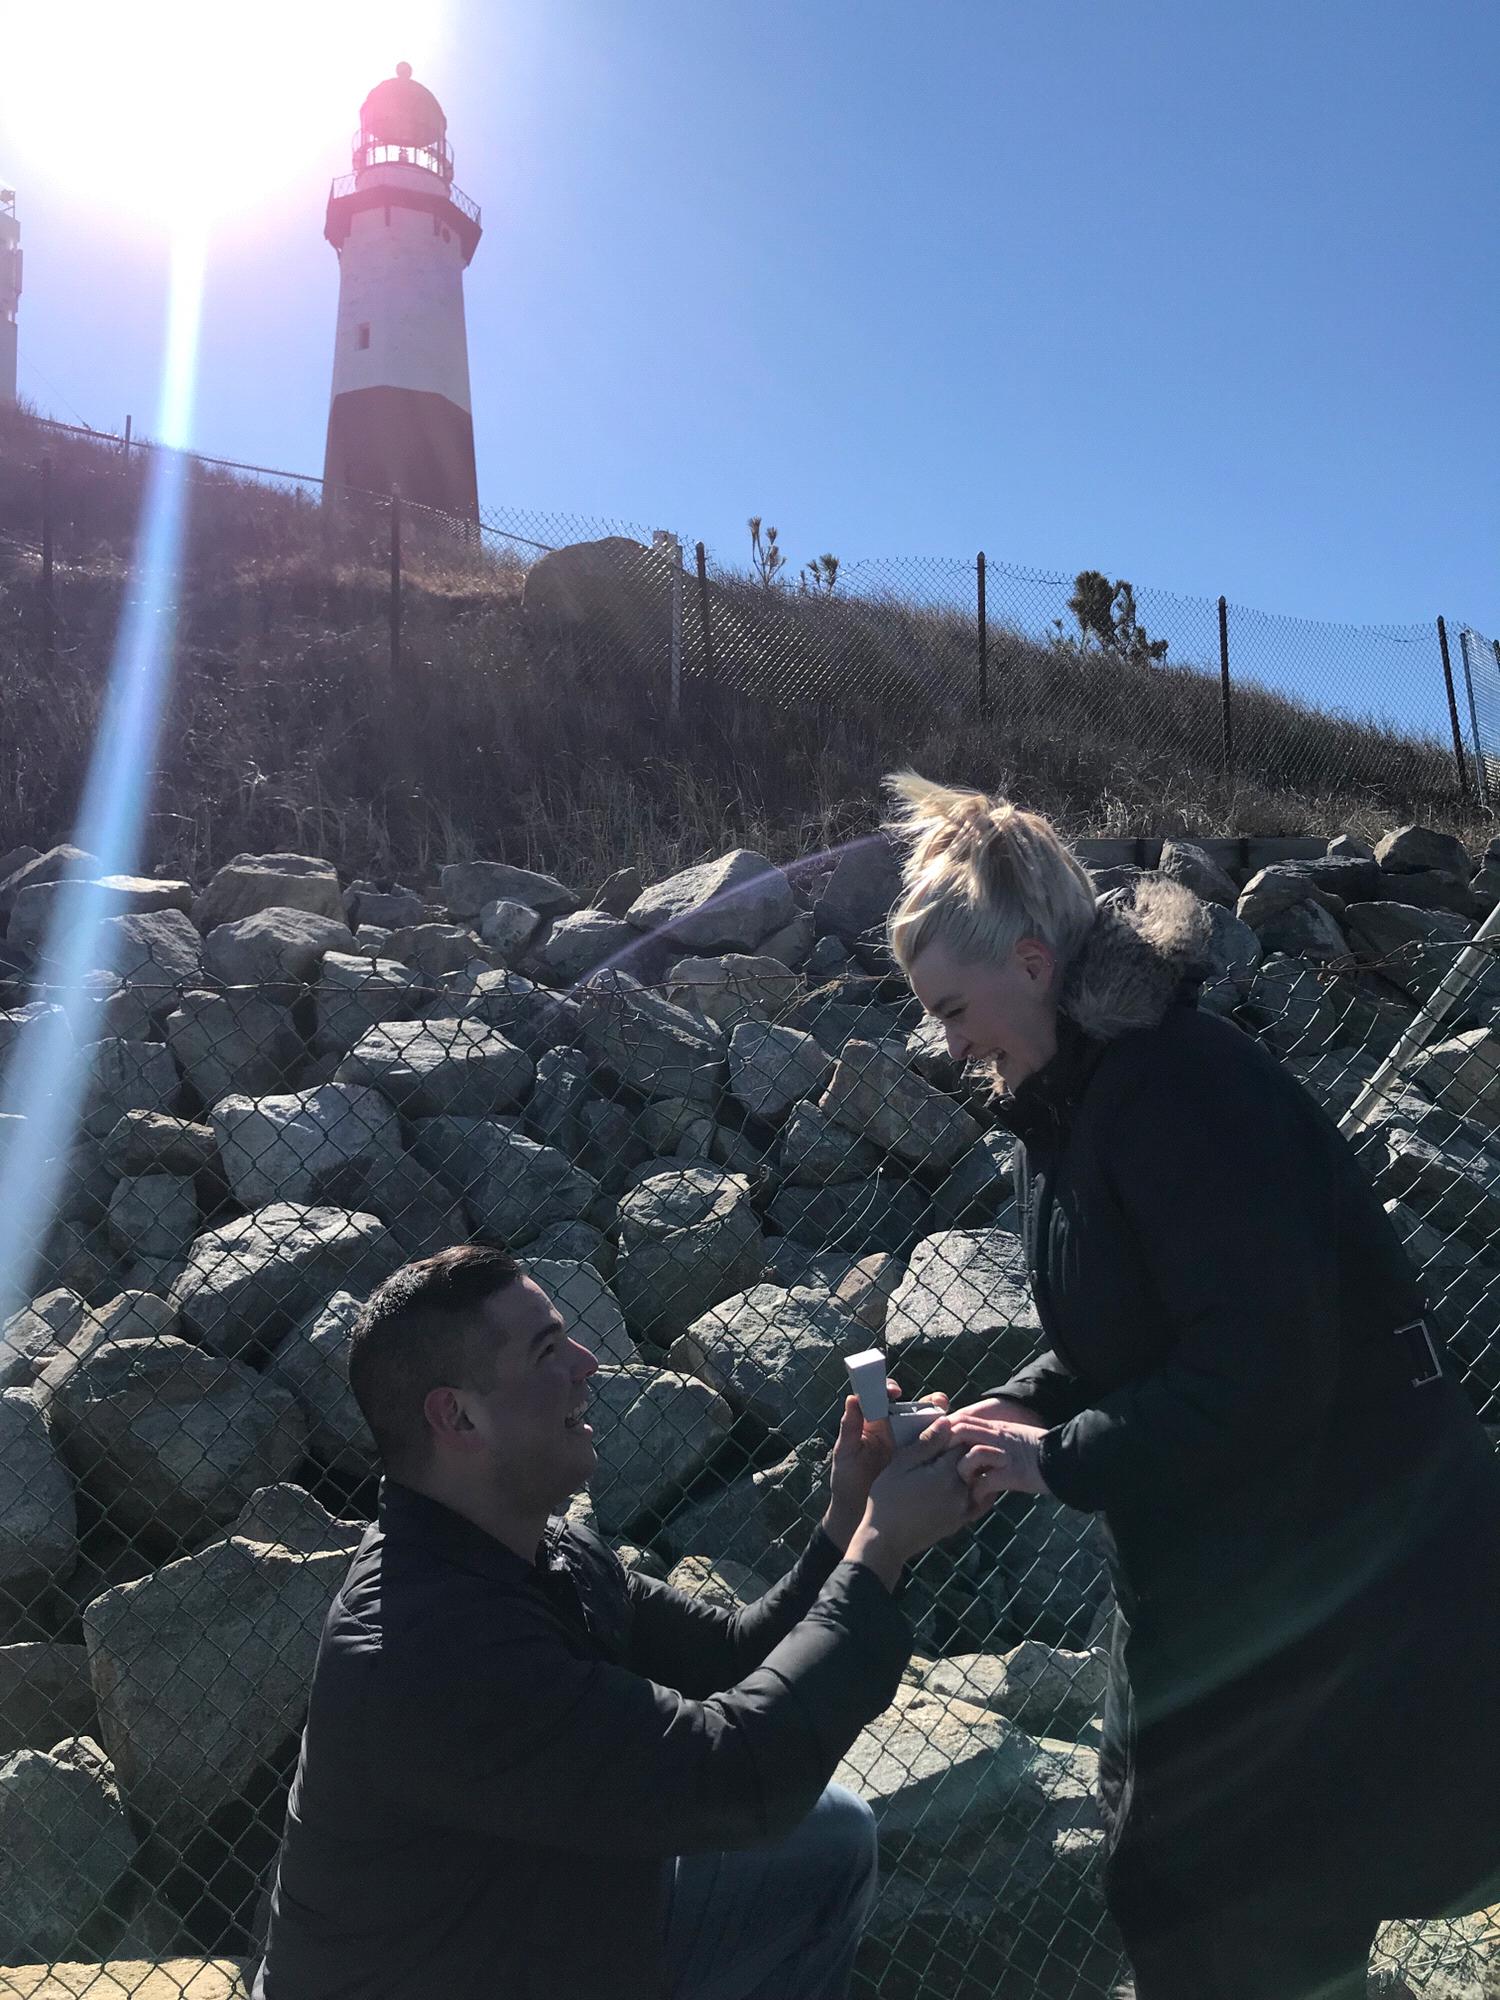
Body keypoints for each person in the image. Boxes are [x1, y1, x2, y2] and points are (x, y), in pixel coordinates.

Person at [883, 772, 1500, 2000]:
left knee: (1238, 1911)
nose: (945, 1043)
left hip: (1328, 1590)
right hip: (1224, 1580)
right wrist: (1022, 1404)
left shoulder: (1177, 1091)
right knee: (1180, 1881)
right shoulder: (1073, 1104)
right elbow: (1127, 1335)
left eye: (951, 1008)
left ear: (1032, 962)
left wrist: (1056, 1459)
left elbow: (1261, 1368)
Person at [252, 1243, 979, 2000]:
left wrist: (851, 1515)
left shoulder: (541, 1550)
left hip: (545, 1934)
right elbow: (735, 1777)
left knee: (830, 1838)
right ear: (458, 1416)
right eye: (547, 1351)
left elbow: (738, 1655)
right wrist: (881, 1549)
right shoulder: (423, 1650)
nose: (588, 1362)